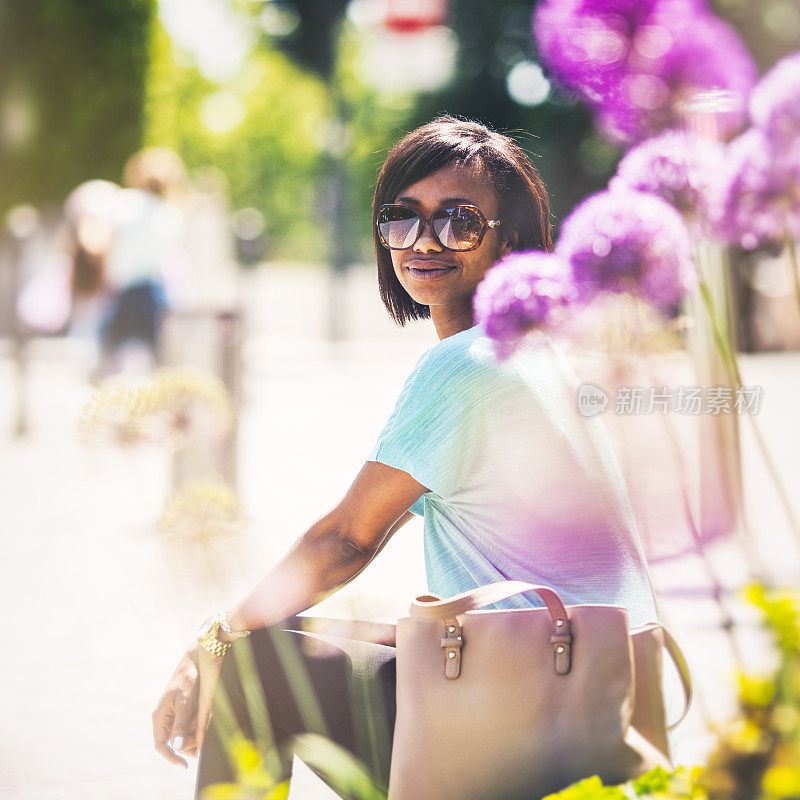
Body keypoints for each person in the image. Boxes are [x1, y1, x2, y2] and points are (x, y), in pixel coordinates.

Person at [152, 115, 661, 798]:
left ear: (508, 236)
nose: (424, 240)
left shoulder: (468, 365)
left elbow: (345, 542)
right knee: (300, 637)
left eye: (458, 220)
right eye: (402, 218)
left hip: (524, 722)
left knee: (252, 666)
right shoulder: (554, 350)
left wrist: (211, 641)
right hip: (594, 702)